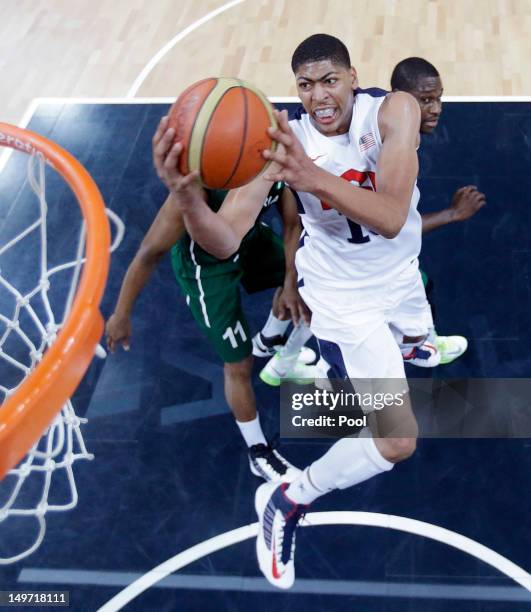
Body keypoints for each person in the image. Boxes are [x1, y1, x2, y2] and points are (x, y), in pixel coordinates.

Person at [152, 33, 430, 589]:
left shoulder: (395, 110)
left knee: (416, 342)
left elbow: (393, 216)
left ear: (354, 76)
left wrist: (309, 178)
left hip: (401, 276)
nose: (318, 96)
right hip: (346, 302)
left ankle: (379, 355)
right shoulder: (278, 146)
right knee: (396, 439)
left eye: (330, 80)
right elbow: (225, 240)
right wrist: (187, 200)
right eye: (305, 85)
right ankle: (288, 497)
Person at [105, 182, 316, 483]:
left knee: (313, 280)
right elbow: (149, 253)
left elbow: (293, 222)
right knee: (239, 363)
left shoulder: (272, 152)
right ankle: (258, 451)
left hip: (249, 239)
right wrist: (121, 314)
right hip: (206, 271)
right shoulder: (194, 191)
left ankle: (270, 338)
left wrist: (290, 282)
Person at [390, 57, 486, 365]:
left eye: (439, 98)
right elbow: (393, 225)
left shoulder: (400, 131)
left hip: (369, 250)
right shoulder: (392, 157)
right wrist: (453, 214)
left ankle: (419, 340)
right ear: (401, 100)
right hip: (362, 261)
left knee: (421, 281)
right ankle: (411, 347)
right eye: (426, 100)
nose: (437, 108)